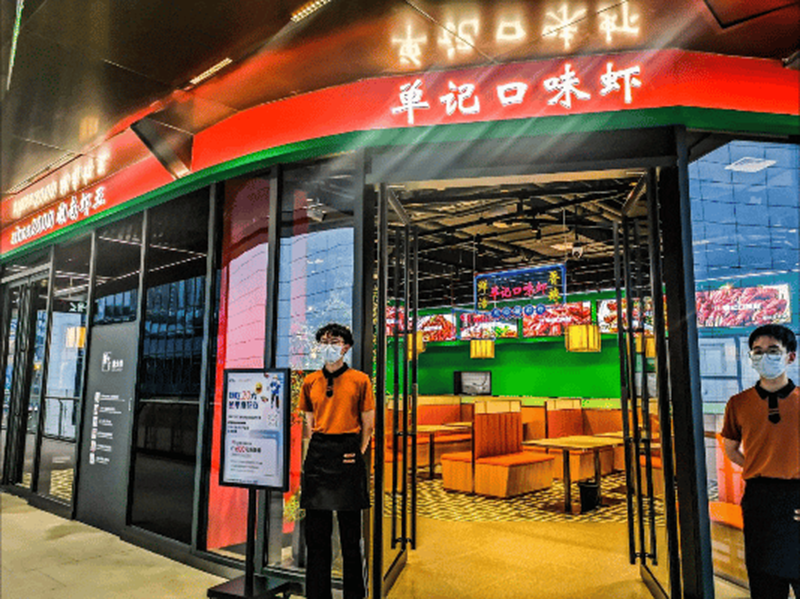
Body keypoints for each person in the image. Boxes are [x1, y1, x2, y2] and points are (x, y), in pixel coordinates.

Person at [721, 324, 800, 599]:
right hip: (759, 500)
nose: (764, 356)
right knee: (764, 581)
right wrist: (760, 465)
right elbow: (731, 449)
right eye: (757, 351)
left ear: (790, 356)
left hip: (797, 497)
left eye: (773, 350)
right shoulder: (738, 403)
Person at [300, 323, 375, 599]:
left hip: (348, 453)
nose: (328, 346)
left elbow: (368, 424)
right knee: (316, 536)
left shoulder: (360, 380)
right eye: (323, 341)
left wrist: (357, 451)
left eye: (334, 341)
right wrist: (314, 454)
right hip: (319, 455)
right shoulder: (310, 381)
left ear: (346, 347)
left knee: (350, 537)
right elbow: (309, 424)